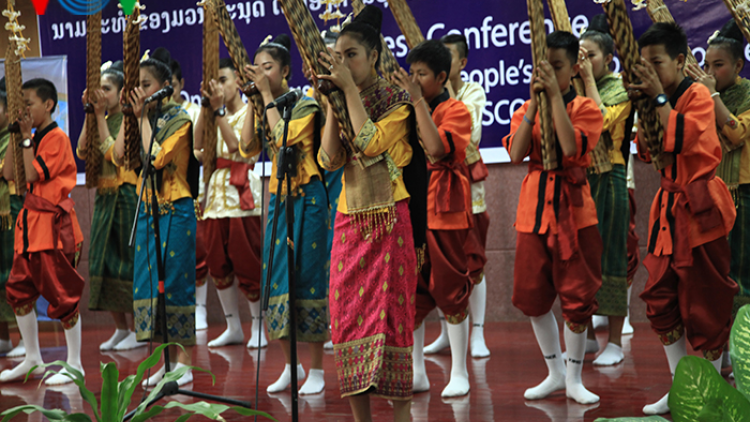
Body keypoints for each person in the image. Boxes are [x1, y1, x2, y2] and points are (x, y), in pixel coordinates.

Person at [315, 5, 428, 421]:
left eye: (352, 56)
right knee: (345, 320)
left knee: (393, 321)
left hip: (389, 222)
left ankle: (400, 416)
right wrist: (332, 105)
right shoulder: (343, 101)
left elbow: (368, 141)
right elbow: (329, 160)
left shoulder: (396, 101)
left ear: (375, 56)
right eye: (338, 57)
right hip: (350, 220)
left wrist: (346, 94)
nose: (344, 64)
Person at [631, 22, 738, 415]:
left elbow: (685, 138)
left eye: (656, 63)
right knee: (660, 296)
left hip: (701, 208)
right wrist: (647, 103)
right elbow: (649, 151)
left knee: (706, 301)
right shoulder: (653, 98)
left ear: (680, 60)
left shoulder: (697, 95)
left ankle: (706, 391)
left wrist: (658, 99)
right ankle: (681, 386)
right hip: (668, 210)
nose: (649, 71)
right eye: (643, 65)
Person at [502, 31, 603, 405]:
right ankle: (555, 371)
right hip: (532, 212)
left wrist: (555, 101)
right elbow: (515, 154)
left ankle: (575, 377)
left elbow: (570, 146)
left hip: (575, 214)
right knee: (531, 295)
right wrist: (533, 105)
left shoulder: (587, 109)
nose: (544, 75)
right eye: (539, 68)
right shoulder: (522, 109)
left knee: (577, 295)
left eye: (556, 67)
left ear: (574, 68)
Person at [239, 34, 329, 395]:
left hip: (307, 199)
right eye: (257, 68)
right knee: (276, 279)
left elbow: (283, 138)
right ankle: (291, 367)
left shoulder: (305, 106)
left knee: (308, 279)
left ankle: (318, 370)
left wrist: (263, 98)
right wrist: (252, 102)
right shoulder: (265, 105)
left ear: (286, 71)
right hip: (279, 199)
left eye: (268, 68)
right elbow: (247, 147)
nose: (261, 73)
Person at [391, 39, 481, 398]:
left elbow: (437, 148)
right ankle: (417, 372)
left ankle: (459, 371)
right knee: (410, 294)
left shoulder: (456, 110)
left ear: (442, 77)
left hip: (444, 212)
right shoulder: (406, 108)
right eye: (410, 73)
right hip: (410, 209)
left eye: (422, 75)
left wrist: (414, 102)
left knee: (451, 289)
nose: (413, 80)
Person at [114, 47, 200, 387]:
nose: (140, 91)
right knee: (151, 286)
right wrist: (127, 116)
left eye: (146, 85)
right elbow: (120, 156)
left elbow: (157, 159)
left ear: (166, 86)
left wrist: (140, 119)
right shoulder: (138, 119)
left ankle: (185, 362)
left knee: (176, 282)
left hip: (176, 210)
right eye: (135, 86)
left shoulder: (180, 118)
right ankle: (165, 361)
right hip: (147, 209)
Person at [0, 78, 86, 385]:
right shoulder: (31, 137)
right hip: (29, 227)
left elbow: (35, 173)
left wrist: (25, 140)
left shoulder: (56, 137)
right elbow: (11, 174)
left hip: (52, 227)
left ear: (48, 104)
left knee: (62, 294)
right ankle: (32, 358)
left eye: (28, 103)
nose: (23, 110)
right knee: (18, 290)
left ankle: (75, 363)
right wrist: (16, 136)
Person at [423, 33, 491, 360]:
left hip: (465, 186)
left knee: (472, 260)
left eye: (448, 57)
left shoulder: (469, 93)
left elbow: (471, 134)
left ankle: (477, 333)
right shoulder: (424, 99)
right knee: (438, 264)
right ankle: (446, 333)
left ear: (460, 62)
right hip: (432, 190)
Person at [195, 58, 266, 349]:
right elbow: (197, 146)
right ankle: (232, 326)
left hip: (242, 194)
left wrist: (218, 112)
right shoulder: (212, 113)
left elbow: (239, 149)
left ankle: (259, 327)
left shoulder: (252, 110)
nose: (220, 87)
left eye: (224, 80)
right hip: (214, 194)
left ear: (238, 81)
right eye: (215, 83)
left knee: (247, 260)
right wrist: (204, 108)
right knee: (217, 262)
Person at [577, 14, 633, 366]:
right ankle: (587, 337)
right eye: (579, 55)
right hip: (580, 178)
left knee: (611, 256)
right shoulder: (575, 89)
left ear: (608, 58)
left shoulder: (619, 88)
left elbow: (597, 120)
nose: (583, 61)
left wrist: (584, 79)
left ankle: (614, 339)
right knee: (581, 258)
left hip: (610, 178)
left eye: (590, 55)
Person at [77, 61, 142, 352]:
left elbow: (112, 153)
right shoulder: (99, 116)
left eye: (107, 89)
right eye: (99, 89)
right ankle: (121, 328)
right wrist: (90, 114)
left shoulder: (129, 118)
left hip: (125, 196)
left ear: (122, 92)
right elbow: (82, 150)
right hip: (104, 198)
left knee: (127, 262)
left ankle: (140, 329)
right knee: (102, 261)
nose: (101, 94)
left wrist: (101, 116)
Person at [687, 19, 750, 319]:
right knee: (716, 270)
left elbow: (736, 134)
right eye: (706, 65)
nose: (710, 73)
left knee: (741, 272)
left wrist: (710, 95)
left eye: (719, 65)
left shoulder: (748, 93)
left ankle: (742, 349)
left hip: (743, 193)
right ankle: (720, 347)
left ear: (739, 65)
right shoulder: (701, 95)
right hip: (711, 192)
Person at [170, 58, 209, 332]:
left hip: (192, 189)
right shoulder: (157, 118)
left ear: (181, 84)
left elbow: (202, 151)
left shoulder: (194, 113)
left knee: (199, 254)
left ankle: (201, 308)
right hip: (166, 195)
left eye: (171, 85)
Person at [0, 80, 23, 356]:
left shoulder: (13, 138)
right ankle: (4, 339)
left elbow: (7, 173)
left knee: (14, 277)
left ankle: (26, 341)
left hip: (11, 213)